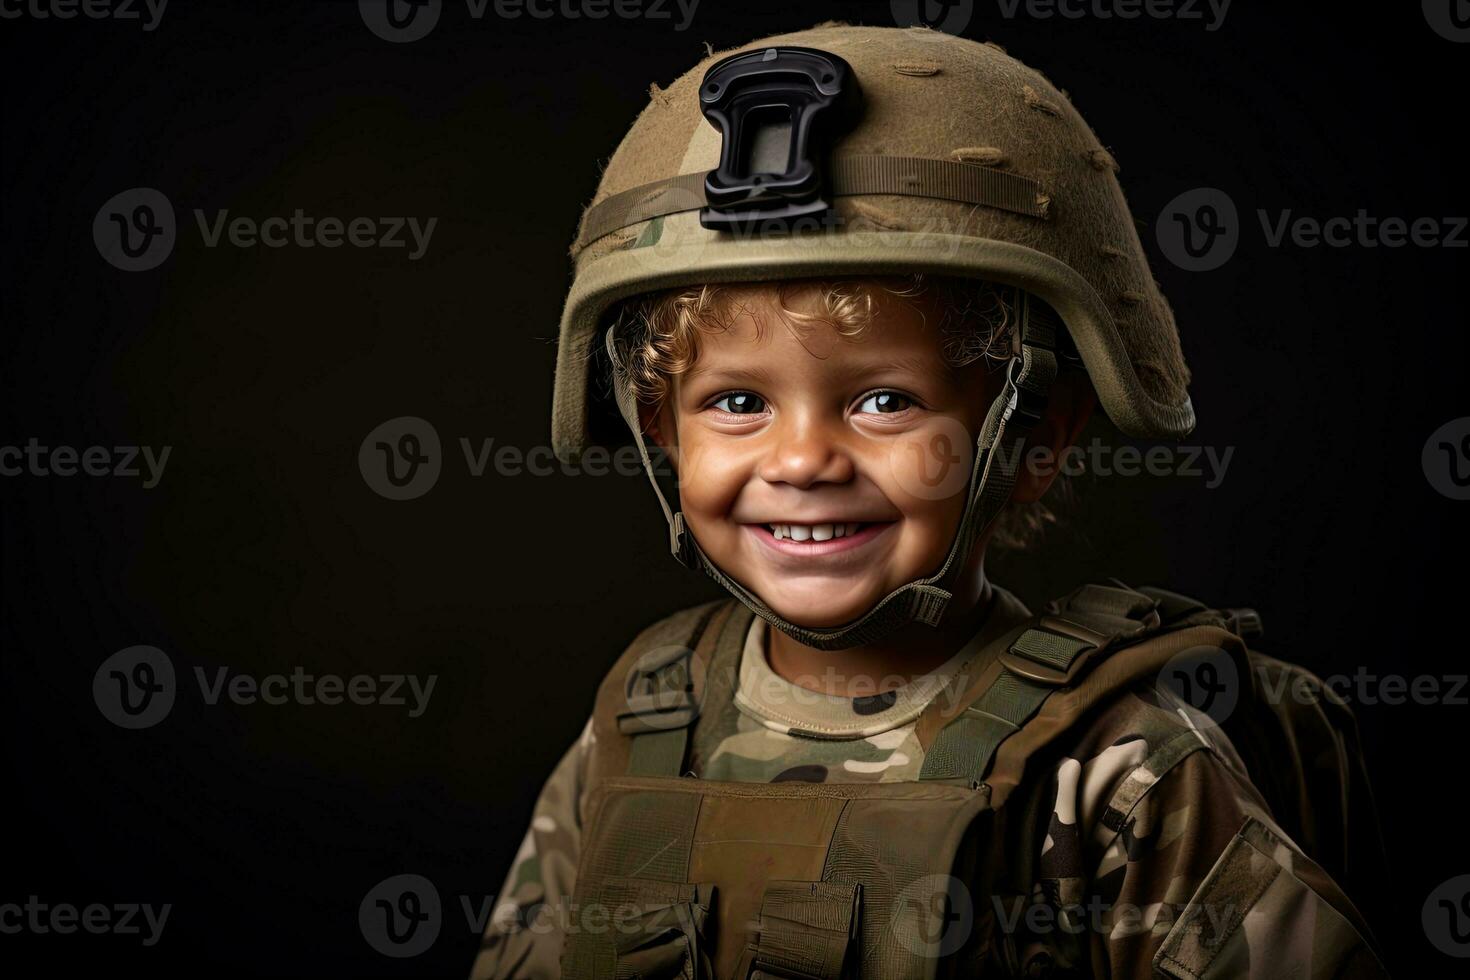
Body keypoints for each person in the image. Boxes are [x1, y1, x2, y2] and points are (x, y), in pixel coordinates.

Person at [472, 23, 1389, 979]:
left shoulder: (1119, 767)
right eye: (738, 402)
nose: (803, 459)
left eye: (884, 402)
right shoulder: (642, 720)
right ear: (661, 429)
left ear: (1031, 436)